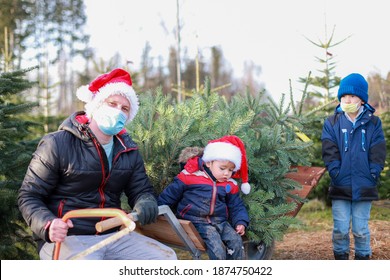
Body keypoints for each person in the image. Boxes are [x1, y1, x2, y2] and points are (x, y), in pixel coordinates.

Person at [18, 68, 177, 260]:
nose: (118, 111)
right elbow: (29, 195)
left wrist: (145, 201)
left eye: (124, 108)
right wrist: (48, 224)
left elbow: (141, 190)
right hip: (68, 237)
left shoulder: (128, 150)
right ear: (96, 105)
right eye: (112, 104)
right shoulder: (57, 144)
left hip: (113, 234)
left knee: (165, 259)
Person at [321, 73, 386, 260]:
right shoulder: (332, 123)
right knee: (340, 229)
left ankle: (362, 260)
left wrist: (373, 173)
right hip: (341, 184)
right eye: (343, 96)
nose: (347, 100)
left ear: (362, 99)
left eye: (352, 96)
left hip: (364, 185)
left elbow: (378, 150)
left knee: (361, 230)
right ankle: (341, 261)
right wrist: (335, 171)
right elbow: (329, 149)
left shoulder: (373, 123)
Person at [158, 135, 251, 260]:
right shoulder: (189, 177)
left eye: (231, 170)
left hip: (220, 221)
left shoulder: (229, 184)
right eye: (222, 168)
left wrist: (241, 222)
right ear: (208, 162)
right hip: (197, 221)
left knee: (236, 241)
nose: (226, 173)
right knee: (217, 248)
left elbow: (236, 205)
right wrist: (158, 208)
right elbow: (170, 194)